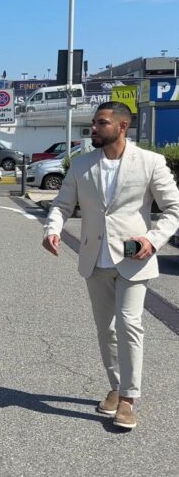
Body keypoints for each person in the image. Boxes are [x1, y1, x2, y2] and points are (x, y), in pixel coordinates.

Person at [43, 101, 179, 429]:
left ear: (122, 126)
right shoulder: (81, 165)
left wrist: (152, 240)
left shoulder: (150, 162)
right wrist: (52, 229)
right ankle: (116, 387)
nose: (94, 128)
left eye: (101, 123)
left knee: (130, 324)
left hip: (134, 259)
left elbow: (174, 209)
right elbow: (62, 205)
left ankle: (129, 399)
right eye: (94, 122)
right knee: (106, 330)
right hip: (95, 259)